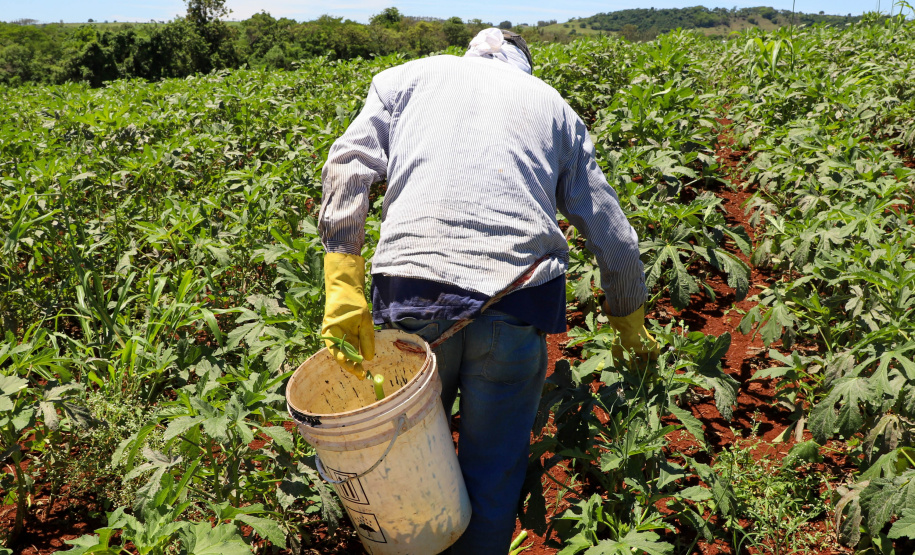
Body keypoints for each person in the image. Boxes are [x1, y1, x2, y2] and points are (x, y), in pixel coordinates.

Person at [318, 27, 659, 554]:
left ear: (470, 55)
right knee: (493, 474)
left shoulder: (405, 79)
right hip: (514, 300)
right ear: (524, 66)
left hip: (412, 294)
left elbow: (347, 166)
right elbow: (610, 230)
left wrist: (343, 282)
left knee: (404, 458)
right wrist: (628, 320)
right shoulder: (553, 107)